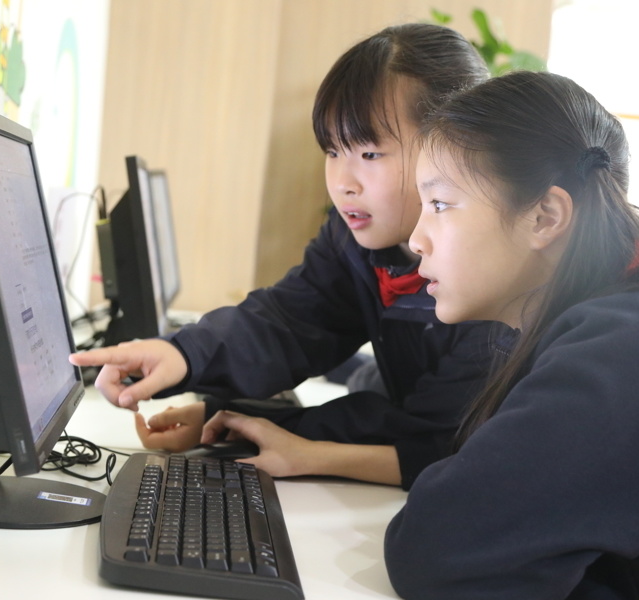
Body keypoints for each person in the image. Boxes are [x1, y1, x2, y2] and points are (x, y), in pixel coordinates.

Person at [70, 23, 494, 490]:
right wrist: (181, 354)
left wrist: (238, 423)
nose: (343, 182)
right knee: (364, 382)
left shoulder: (495, 280)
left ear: (455, 150)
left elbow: (436, 437)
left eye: (371, 154)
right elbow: (289, 322)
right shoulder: (354, 239)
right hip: (409, 413)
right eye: (333, 151)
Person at [384, 70, 639, 598]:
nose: (416, 239)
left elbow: (437, 552)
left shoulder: (625, 344)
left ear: (544, 216)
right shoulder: (617, 316)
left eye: (440, 204)